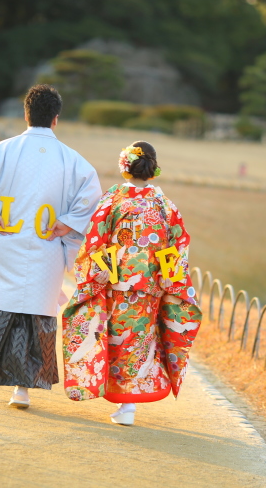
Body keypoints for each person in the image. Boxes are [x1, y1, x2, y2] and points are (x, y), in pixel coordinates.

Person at [0, 84, 102, 408]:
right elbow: (91, 198)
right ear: (55, 120)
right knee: (34, 315)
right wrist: (69, 223)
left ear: (26, 114)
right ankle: (23, 387)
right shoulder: (75, 162)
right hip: (45, 248)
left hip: (3, 244)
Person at [62, 141, 202, 426]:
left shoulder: (113, 198)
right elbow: (178, 247)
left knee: (115, 339)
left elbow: (96, 238)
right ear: (153, 169)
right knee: (139, 341)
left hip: (116, 284)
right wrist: (167, 282)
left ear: (125, 167)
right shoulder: (165, 205)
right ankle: (128, 406)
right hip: (150, 288)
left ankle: (123, 403)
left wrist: (101, 274)